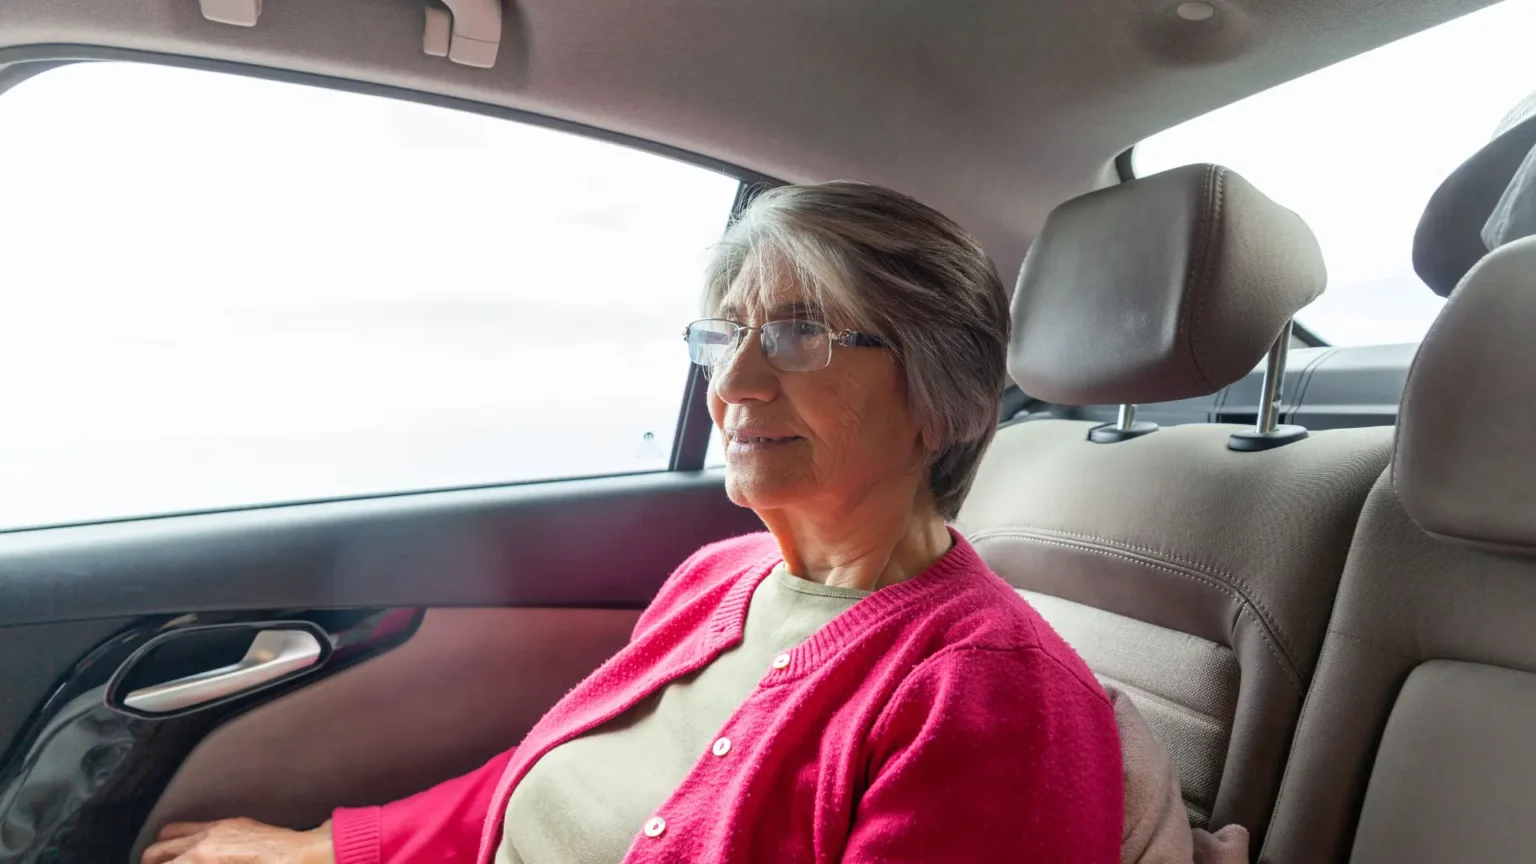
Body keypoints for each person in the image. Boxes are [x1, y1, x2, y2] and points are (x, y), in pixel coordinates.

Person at [142, 181, 1125, 864]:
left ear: (937, 396)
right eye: (726, 335)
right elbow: (542, 783)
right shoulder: (720, 577)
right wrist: (332, 848)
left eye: (798, 334)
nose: (733, 385)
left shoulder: (993, 701)